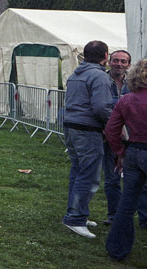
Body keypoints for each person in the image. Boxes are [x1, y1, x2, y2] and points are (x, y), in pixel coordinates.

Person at [61, 40, 113, 239]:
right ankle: (75, 218)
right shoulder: (99, 76)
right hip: (88, 129)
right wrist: (112, 126)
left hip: (71, 127)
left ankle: (75, 212)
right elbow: (101, 107)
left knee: (78, 171)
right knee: (88, 175)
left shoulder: (76, 74)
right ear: (105, 56)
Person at [105, 59, 147, 260]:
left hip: (132, 152)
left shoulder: (126, 99)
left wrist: (120, 152)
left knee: (127, 203)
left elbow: (111, 130)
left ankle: (117, 249)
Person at [101, 51, 142, 226]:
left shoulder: (134, 84)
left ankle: (140, 215)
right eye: (116, 60)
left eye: (123, 61)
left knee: (136, 180)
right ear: (109, 62)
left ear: (129, 65)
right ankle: (115, 215)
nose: (119, 64)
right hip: (108, 136)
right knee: (112, 178)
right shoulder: (101, 81)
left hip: (132, 139)